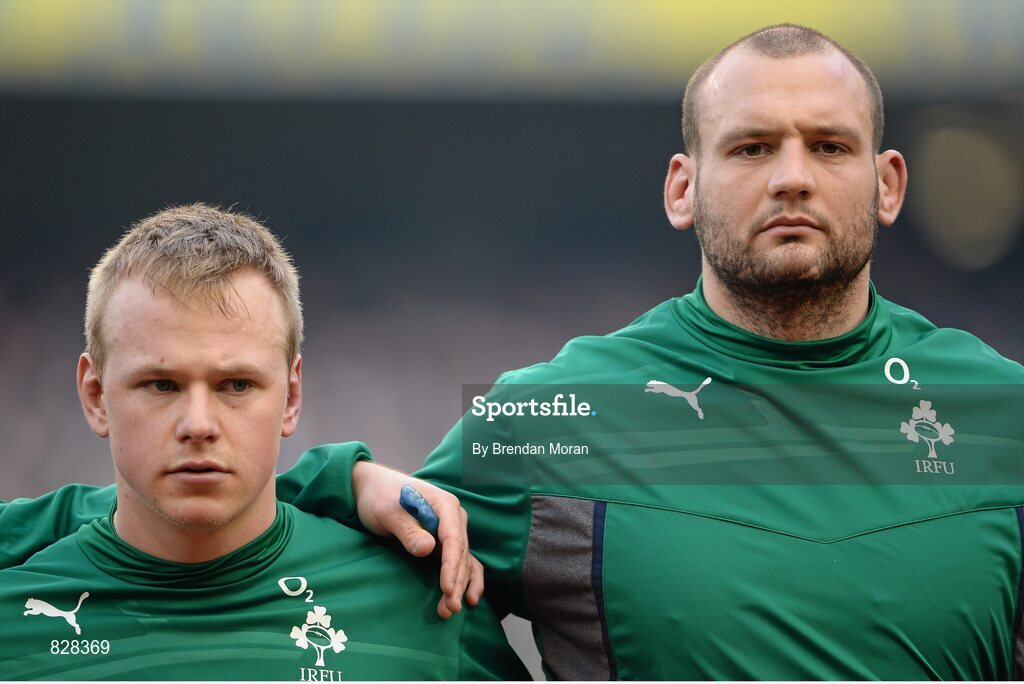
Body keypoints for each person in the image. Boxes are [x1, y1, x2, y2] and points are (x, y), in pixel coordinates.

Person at [6, 23, 1024, 679]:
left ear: (889, 182)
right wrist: (344, 474)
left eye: (829, 146)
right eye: (751, 148)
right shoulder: (561, 414)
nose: (791, 178)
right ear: (683, 186)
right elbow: (247, 521)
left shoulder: (998, 415)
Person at [0, 204, 528, 680]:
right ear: (95, 396)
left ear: (292, 395)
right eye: (161, 385)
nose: (199, 423)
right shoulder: (15, 614)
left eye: (237, 385)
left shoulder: (429, 607)